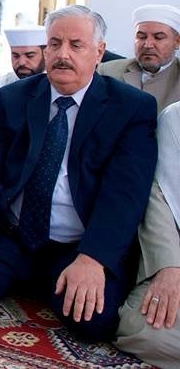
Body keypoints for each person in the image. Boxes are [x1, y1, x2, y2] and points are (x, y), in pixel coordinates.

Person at [0, 5, 158, 341]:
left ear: (99, 52)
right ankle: (36, 277)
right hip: (15, 234)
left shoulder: (131, 108)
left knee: (92, 321)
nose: (63, 55)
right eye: (55, 44)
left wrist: (93, 259)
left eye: (76, 45)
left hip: (77, 242)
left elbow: (125, 196)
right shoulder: (15, 97)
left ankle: (53, 278)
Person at [115, 101, 180, 368]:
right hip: (176, 252)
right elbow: (159, 198)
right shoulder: (175, 117)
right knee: (146, 330)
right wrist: (169, 267)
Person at [98, 4, 180, 113]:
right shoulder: (107, 71)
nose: (148, 44)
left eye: (158, 37)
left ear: (177, 42)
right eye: (141, 37)